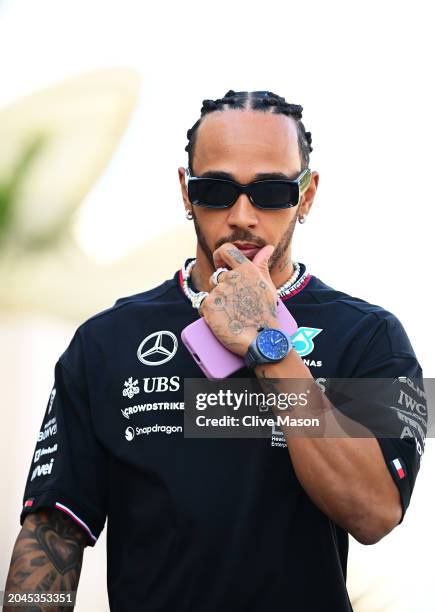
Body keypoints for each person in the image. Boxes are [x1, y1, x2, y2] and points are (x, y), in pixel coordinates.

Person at [4, 90, 426, 611]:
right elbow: (53, 534)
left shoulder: (370, 336)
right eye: (216, 189)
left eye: (271, 191)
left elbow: (376, 512)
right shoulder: (104, 341)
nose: (243, 215)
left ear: (307, 195)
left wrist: (268, 345)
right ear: (186, 192)